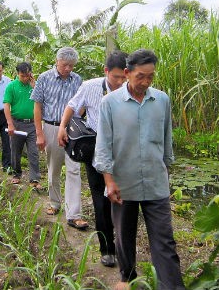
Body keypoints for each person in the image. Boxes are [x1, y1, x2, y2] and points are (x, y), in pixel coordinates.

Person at [94, 49, 185, 290]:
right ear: (127, 73)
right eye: (140, 76)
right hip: (123, 183)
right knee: (124, 237)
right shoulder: (110, 103)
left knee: (164, 240)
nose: (145, 82)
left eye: (151, 77)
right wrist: (109, 181)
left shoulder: (162, 100)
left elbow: (166, 141)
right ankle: (127, 279)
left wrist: (167, 171)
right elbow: (103, 146)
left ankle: (172, 286)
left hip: (156, 182)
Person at [57, 50, 128, 267]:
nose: (120, 81)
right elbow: (72, 105)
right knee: (100, 198)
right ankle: (107, 248)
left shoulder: (132, 89)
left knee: (123, 199)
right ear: (106, 71)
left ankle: (125, 247)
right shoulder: (91, 86)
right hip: (97, 148)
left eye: (124, 76)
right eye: (116, 77)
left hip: (124, 150)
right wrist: (62, 127)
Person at [30, 47, 87, 230]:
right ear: (57, 61)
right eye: (65, 65)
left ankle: (74, 214)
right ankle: (55, 203)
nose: (68, 68)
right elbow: (37, 107)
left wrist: (78, 120)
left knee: (74, 169)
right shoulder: (44, 78)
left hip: (73, 130)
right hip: (52, 127)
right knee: (53, 168)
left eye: (71, 65)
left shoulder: (78, 80)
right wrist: (39, 133)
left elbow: (82, 104)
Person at [4, 62, 40, 187]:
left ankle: (34, 178)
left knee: (33, 151)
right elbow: (6, 105)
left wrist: (35, 86)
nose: (25, 78)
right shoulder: (12, 86)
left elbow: (41, 101)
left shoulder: (35, 86)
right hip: (17, 123)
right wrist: (10, 124)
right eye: (22, 75)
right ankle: (16, 174)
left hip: (32, 124)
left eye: (27, 75)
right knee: (16, 151)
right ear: (17, 74)